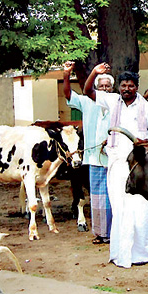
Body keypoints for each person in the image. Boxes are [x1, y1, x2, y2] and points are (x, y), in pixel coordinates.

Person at [84, 65, 148, 268]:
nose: (126, 88)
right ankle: (121, 252)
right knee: (119, 207)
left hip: (140, 165)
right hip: (117, 163)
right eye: (123, 85)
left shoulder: (146, 107)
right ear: (119, 87)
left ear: (136, 87)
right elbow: (87, 91)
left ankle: (143, 253)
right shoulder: (111, 100)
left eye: (130, 85)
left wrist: (145, 143)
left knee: (141, 207)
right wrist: (95, 72)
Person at [63, 61, 113, 245]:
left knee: (114, 196)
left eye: (108, 86)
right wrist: (66, 74)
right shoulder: (86, 101)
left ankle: (114, 232)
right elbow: (68, 94)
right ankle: (101, 233)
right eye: (101, 86)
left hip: (114, 158)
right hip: (94, 158)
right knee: (98, 197)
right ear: (96, 87)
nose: (105, 89)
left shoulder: (117, 101)